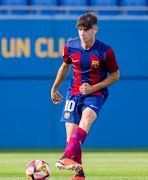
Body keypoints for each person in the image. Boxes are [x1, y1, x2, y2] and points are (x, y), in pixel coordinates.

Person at [50, 12, 119, 180]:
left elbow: (115, 75)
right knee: (71, 134)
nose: (82, 33)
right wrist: (54, 88)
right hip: (73, 93)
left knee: (86, 120)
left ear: (95, 30)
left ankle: (65, 156)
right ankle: (79, 174)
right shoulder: (71, 46)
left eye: (86, 29)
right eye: (80, 29)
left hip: (95, 93)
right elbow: (65, 67)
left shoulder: (105, 51)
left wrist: (92, 88)